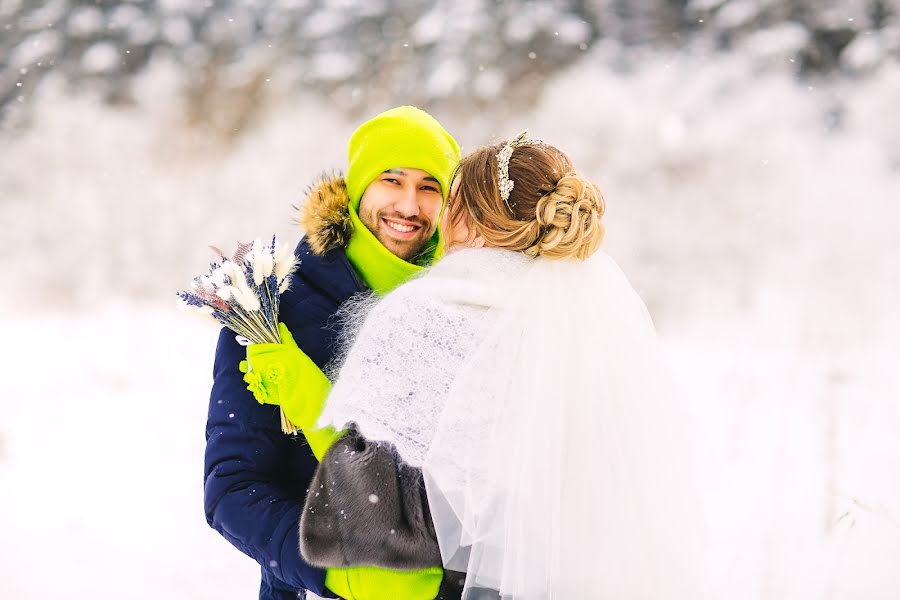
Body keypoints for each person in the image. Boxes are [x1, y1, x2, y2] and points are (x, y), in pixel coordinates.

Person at [244, 132, 707, 599]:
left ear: (474, 223)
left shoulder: (427, 315)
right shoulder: (577, 319)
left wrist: (309, 398)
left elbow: (377, 516)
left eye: (445, 196)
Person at [204, 105, 461, 600]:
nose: (409, 205)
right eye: (392, 180)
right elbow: (231, 488)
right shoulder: (275, 303)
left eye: (430, 187)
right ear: (360, 186)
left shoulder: (461, 303)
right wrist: (335, 574)